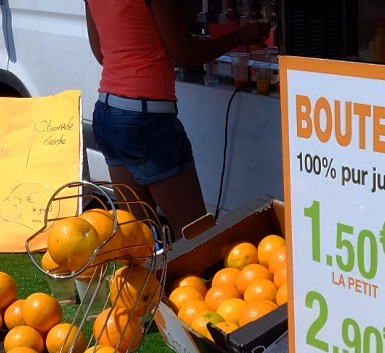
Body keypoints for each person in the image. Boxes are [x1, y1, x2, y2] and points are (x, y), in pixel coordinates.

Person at [84, 0, 269, 238]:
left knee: (138, 238)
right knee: (196, 236)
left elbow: (101, 53)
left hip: (108, 111)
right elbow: (185, 54)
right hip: (146, 117)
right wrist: (241, 36)